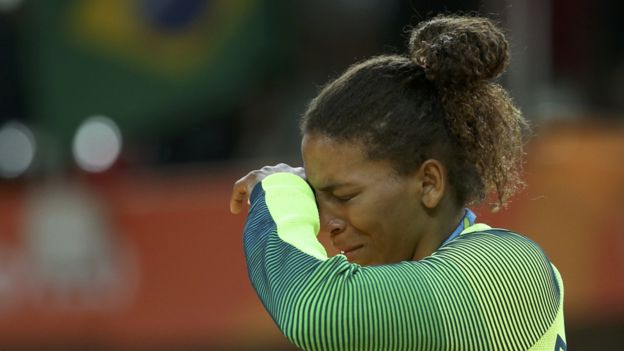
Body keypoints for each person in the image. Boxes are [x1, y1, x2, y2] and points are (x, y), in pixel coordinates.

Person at [230, 15, 566, 351]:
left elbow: (312, 310)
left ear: (429, 183)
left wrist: (278, 188)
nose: (325, 224)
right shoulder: (394, 306)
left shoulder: (506, 270)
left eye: (345, 196)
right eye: (317, 197)